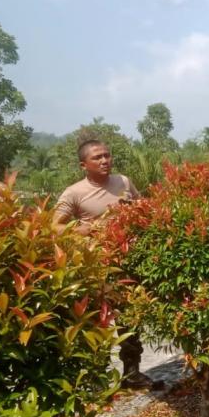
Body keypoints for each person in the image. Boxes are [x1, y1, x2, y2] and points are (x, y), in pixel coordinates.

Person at [53, 139, 153, 390]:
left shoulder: (124, 182)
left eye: (107, 155)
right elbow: (54, 226)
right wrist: (81, 229)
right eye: (97, 157)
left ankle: (132, 374)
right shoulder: (74, 192)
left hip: (128, 263)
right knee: (97, 322)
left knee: (129, 319)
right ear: (83, 164)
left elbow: (144, 207)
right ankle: (96, 381)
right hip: (95, 267)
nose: (104, 160)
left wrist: (136, 210)